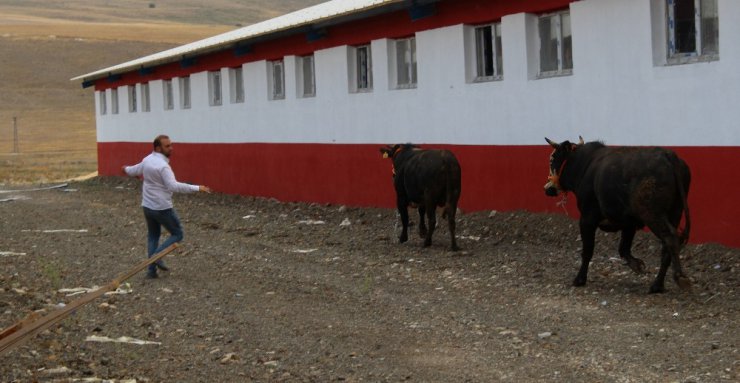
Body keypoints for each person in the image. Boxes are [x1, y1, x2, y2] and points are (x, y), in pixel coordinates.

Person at [122, 135, 211, 279]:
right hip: (162, 207)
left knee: (153, 236)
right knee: (178, 234)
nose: (171, 148)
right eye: (167, 146)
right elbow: (173, 186)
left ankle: (151, 271)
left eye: (171, 145)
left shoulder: (147, 160)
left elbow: (133, 170)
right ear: (158, 148)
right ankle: (157, 256)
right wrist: (197, 188)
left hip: (147, 206)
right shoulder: (163, 166)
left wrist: (125, 169)